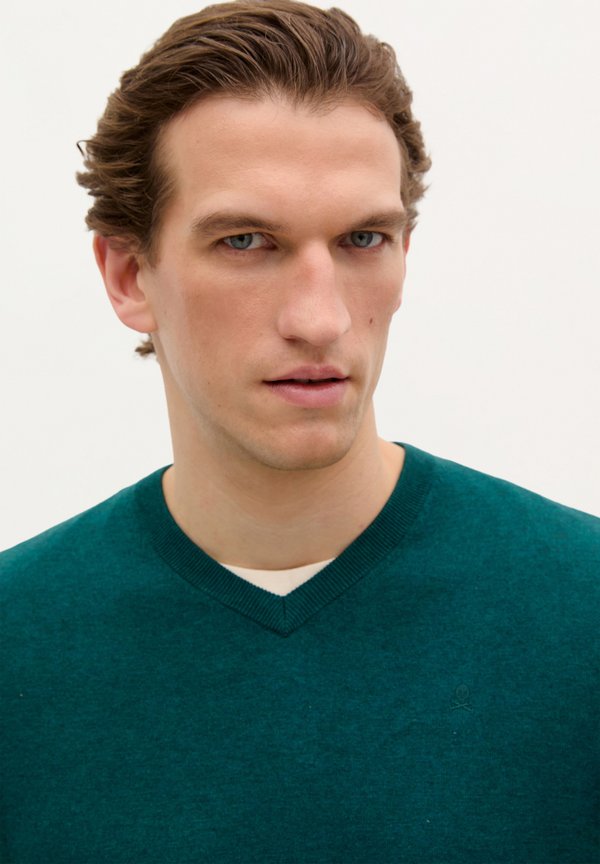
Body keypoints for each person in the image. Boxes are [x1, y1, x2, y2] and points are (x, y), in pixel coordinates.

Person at [1, 1, 598, 861]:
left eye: (363, 238)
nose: (320, 319)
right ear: (129, 274)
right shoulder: (18, 646)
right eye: (247, 241)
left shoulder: (583, 615)